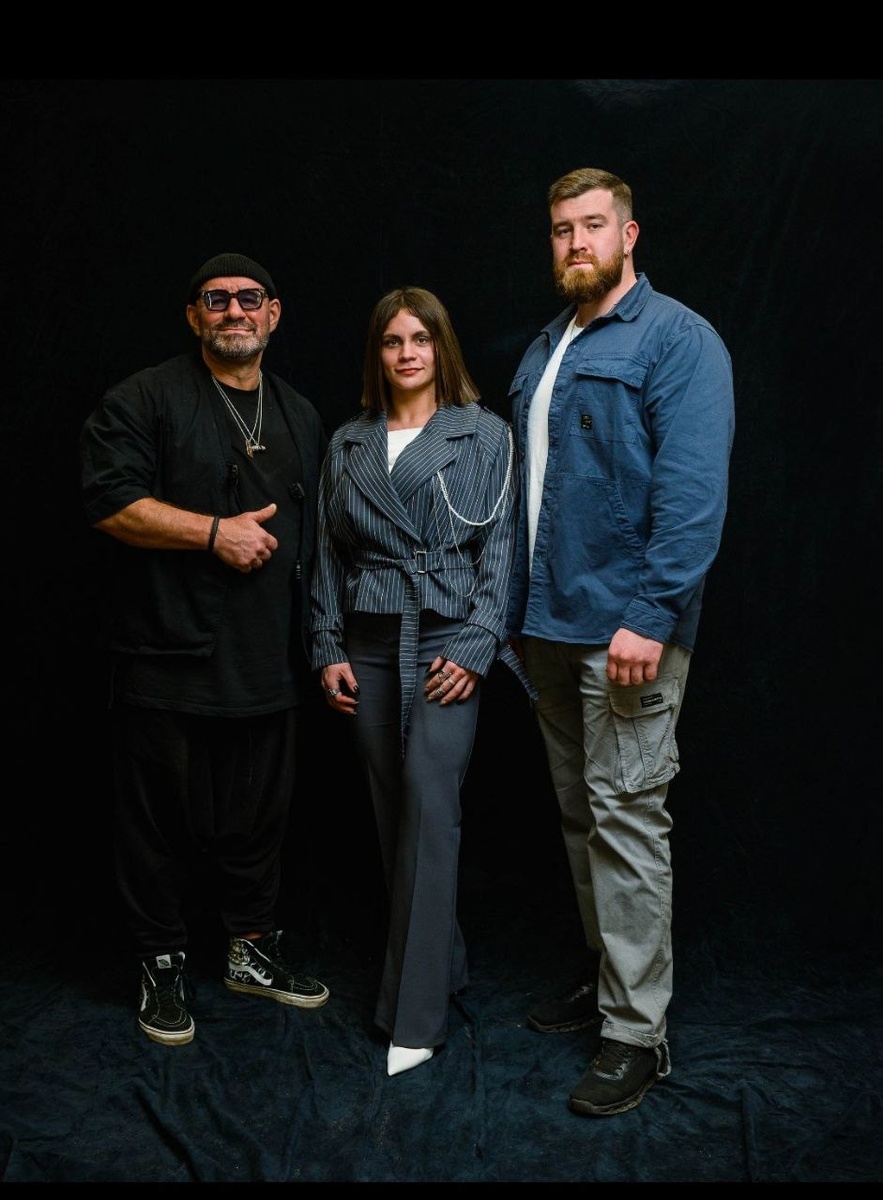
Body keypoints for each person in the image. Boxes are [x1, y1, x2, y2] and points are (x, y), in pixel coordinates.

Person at [507, 168, 735, 1115]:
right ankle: (609, 982)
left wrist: (650, 615)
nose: (576, 243)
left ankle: (637, 1032)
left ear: (628, 234)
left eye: (593, 225)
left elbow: (691, 494)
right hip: (546, 627)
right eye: (562, 228)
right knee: (580, 816)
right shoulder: (545, 346)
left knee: (628, 819)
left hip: (625, 633)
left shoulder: (677, 339)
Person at [80, 252, 330, 1046]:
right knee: (155, 825)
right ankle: (160, 961)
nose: (233, 311)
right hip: (168, 656)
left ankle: (251, 950)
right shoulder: (144, 398)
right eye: (215, 300)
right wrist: (212, 533)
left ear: (273, 314)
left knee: (258, 821)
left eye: (248, 298)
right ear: (194, 316)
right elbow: (108, 501)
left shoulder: (299, 413)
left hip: (267, 659)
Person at [310, 286, 534, 1077]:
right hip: (368, 640)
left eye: (420, 338)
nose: (406, 353)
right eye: (391, 340)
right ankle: (445, 966)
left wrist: (475, 643)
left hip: (445, 640)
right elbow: (324, 555)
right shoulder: (347, 442)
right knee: (393, 816)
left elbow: (503, 549)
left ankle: (413, 1017)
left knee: (430, 810)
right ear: (376, 354)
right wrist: (325, 643)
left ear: (442, 347)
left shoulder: (484, 434)